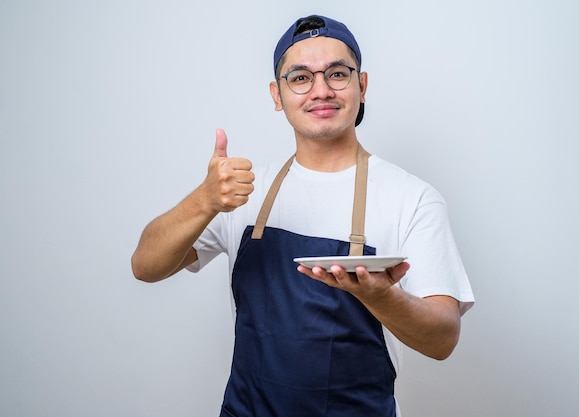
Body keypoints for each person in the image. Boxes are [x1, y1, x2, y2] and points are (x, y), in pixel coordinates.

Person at [132, 14, 474, 417]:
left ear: (361, 87)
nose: (321, 90)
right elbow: (145, 266)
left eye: (337, 74)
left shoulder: (412, 199)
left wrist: (382, 296)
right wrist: (203, 200)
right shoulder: (243, 191)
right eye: (300, 78)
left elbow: (443, 339)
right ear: (277, 95)